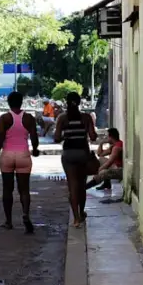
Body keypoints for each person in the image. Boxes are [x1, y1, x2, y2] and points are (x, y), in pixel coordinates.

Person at [0, 91, 40, 233]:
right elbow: (34, 137)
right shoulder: (29, 118)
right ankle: (25, 215)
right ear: (22, 102)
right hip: (23, 155)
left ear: (8, 103)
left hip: (7, 156)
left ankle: (8, 221)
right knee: (24, 190)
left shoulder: (4, 118)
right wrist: (35, 149)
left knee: (7, 189)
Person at [54, 91, 97, 228]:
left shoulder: (62, 118)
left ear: (66, 102)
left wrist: (66, 136)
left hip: (68, 154)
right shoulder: (86, 117)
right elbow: (93, 136)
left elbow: (56, 138)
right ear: (79, 102)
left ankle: (76, 219)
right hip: (83, 153)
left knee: (73, 187)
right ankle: (82, 211)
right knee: (82, 185)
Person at [87, 127, 124, 192]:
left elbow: (109, 163)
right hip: (115, 166)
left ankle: (85, 187)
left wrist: (98, 171)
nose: (106, 138)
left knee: (103, 172)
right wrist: (101, 143)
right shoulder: (114, 145)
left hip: (120, 170)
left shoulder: (116, 147)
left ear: (110, 137)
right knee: (101, 160)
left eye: (107, 136)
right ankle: (106, 184)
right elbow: (100, 154)